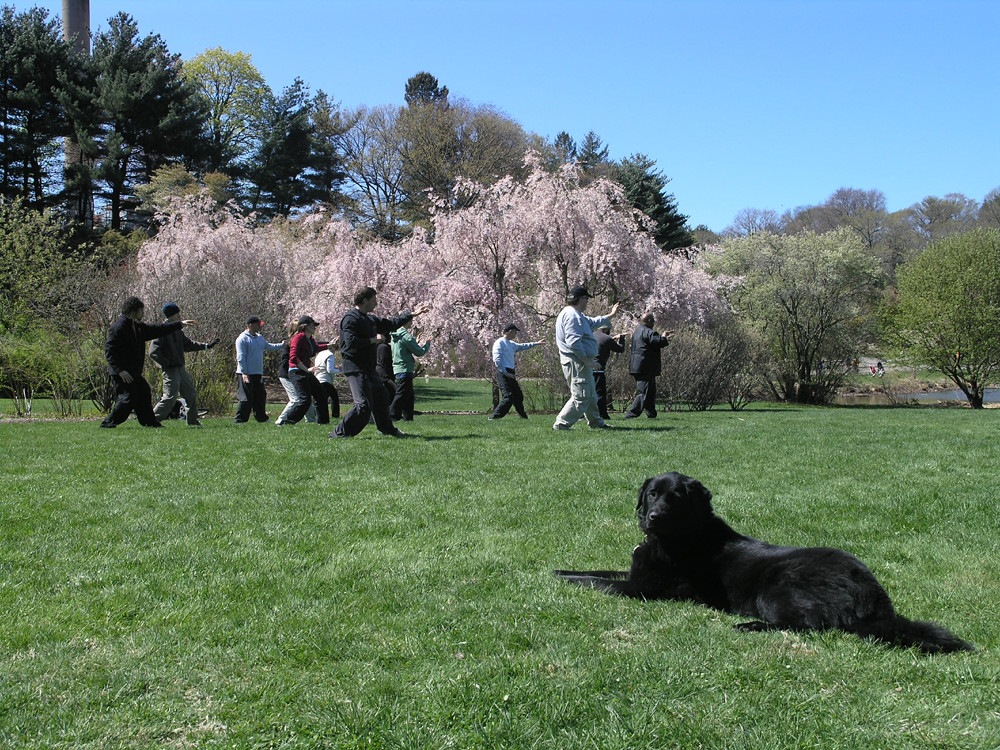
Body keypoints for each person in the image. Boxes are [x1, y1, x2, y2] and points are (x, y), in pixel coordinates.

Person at [330, 286, 428, 438]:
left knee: (382, 398)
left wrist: (413, 314)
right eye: (374, 300)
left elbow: (391, 323)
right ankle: (339, 434)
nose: (376, 303)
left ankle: (388, 429)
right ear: (364, 300)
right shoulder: (350, 318)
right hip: (356, 368)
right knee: (363, 406)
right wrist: (372, 340)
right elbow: (350, 342)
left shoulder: (370, 319)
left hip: (369, 369)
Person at [100, 296, 197, 429]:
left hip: (133, 372)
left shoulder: (137, 327)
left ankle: (149, 422)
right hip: (123, 372)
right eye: (141, 310)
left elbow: (158, 329)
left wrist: (179, 324)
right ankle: (109, 423)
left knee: (144, 393)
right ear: (134, 311)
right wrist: (120, 370)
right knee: (128, 399)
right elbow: (110, 351)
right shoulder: (119, 328)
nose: (143, 313)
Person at [553, 286, 620, 430]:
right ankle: (561, 425)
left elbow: (593, 322)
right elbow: (574, 342)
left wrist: (611, 315)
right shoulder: (572, 316)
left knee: (590, 395)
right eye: (586, 299)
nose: (587, 302)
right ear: (581, 299)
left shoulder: (575, 314)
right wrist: (587, 361)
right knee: (581, 395)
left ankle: (596, 422)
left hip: (579, 361)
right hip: (577, 361)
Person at [148, 302, 219, 427]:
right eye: (177, 314)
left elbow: (189, 345)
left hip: (180, 368)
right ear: (172, 315)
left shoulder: (177, 331)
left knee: (190, 395)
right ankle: (151, 421)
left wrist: (207, 346)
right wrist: (167, 363)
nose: (180, 316)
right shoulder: (162, 330)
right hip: (171, 370)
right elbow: (153, 352)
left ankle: (192, 422)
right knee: (170, 397)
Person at [281, 315, 331, 425]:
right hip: (297, 372)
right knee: (305, 400)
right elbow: (293, 358)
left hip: (305, 371)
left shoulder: (310, 339)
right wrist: (307, 369)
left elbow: (316, 347)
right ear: (305, 326)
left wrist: (329, 346)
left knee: (321, 394)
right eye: (313, 325)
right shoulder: (298, 337)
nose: (315, 327)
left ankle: (323, 423)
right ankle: (286, 421)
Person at [489, 323, 545, 420]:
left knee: (518, 395)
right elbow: (497, 359)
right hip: (503, 372)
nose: (516, 334)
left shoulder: (511, 344)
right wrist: (505, 372)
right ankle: (494, 417)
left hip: (510, 372)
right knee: (508, 397)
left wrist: (537, 343)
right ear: (510, 331)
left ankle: (523, 417)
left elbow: (523, 346)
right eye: (515, 332)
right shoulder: (500, 342)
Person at [234, 315, 284, 423]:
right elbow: (240, 357)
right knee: (246, 398)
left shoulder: (259, 338)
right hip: (246, 373)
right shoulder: (242, 338)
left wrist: (282, 345)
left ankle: (261, 418)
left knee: (260, 396)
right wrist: (244, 373)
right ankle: (240, 420)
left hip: (257, 373)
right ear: (250, 325)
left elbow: (269, 346)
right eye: (258, 325)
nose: (260, 327)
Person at [625, 312, 673, 419]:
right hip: (645, 367)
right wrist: (664, 337)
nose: (654, 322)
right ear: (649, 321)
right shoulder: (648, 332)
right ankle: (631, 414)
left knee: (650, 391)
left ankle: (651, 413)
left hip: (637, 366)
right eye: (653, 320)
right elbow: (658, 342)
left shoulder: (637, 332)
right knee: (643, 392)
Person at [276, 320, 317, 426]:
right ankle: (281, 420)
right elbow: (288, 359)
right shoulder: (290, 343)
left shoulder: (303, 341)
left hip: (298, 373)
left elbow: (315, 346)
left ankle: (311, 420)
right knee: (296, 399)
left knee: (305, 398)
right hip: (287, 374)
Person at [389, 319, 432, 421]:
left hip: (398, 367)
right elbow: (419, 352)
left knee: (409, 395)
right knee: (402, 393)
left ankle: (408, 417)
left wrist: (415, 342)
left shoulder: (395, 335)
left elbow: (403, 349)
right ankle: (391, 415)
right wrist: (427, 344)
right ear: (408, 322)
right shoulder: (406, 336)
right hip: (405, 368)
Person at [593, 324, 626, 420]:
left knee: (588, 393)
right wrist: (622, 339)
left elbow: (601, 342)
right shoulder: (607, 338)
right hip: (598, 369)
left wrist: (612, 338)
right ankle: (603, 415)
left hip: (587, 368)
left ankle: (583, 414)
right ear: (607, 329)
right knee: (600, 393)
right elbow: (620, 349)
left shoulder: (592, 335)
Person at [313, 342, 341, 419]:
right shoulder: (330, 355)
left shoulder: (319, 354)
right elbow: (330, 370)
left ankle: (317, 415)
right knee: (334, 396)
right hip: (325, 379)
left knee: (321, 399)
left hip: (318, 378)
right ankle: (335, 415)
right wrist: (339, 370)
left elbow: (323, 366)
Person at [375, 332, 397, 404]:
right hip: (384, 377)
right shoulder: (383, 347)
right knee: (389, 398)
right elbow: (384, 363)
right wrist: (389, 379)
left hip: (380, 376)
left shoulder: (378, 347)